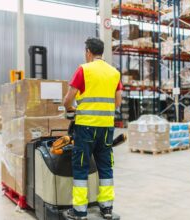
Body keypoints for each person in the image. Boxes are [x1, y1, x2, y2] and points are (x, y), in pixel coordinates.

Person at [63, 38, 123, 220]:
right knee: (105, 166)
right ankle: (106, 208)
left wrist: (69, 109)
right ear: (101, 52)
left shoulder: (84, 70)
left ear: (88, 51)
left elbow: (68, 99)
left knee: (81, 166)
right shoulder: (114, 73)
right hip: (106, 128)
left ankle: (80, 211)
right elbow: (118, 102)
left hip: (86, 127)